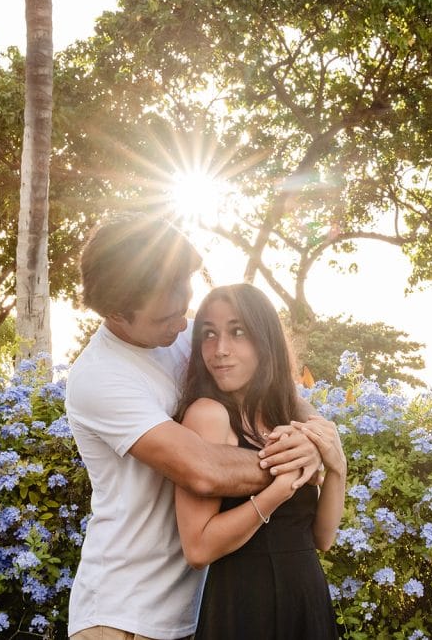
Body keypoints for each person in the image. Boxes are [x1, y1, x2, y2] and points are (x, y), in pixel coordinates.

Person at [65, 213, 327, 640]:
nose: (180, 323)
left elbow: (275, 391)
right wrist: (295, 464)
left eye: (183, 301)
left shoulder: (185, 337)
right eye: (164, 317)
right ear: (116, 313)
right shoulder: (101, 378)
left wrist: (314, 433)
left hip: (202, 611)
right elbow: (203, 471)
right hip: (123, 618)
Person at [174, 283, 346, 640]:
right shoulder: (208, 416)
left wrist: (337, 470)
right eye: (209, 334)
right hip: (244, 606)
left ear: (264, 340)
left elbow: (323, 538)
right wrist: (277, 491)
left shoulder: (289, 415)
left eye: (238, 332)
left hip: (308, 598)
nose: (220, 350)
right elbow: (198, 547)